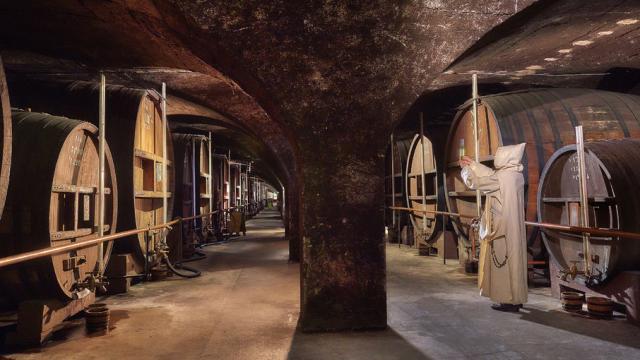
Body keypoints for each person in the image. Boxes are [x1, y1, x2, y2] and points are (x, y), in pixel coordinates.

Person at [459, 143, 528, 312]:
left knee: (503, 266)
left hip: (501, 230)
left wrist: (466, 170)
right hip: (513, 228)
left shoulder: (503, 178)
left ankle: (508, 300)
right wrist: (474, 164)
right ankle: (516, 297)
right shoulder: (515, 175)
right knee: (515, 262)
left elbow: (476, 183)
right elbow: (492, 175)